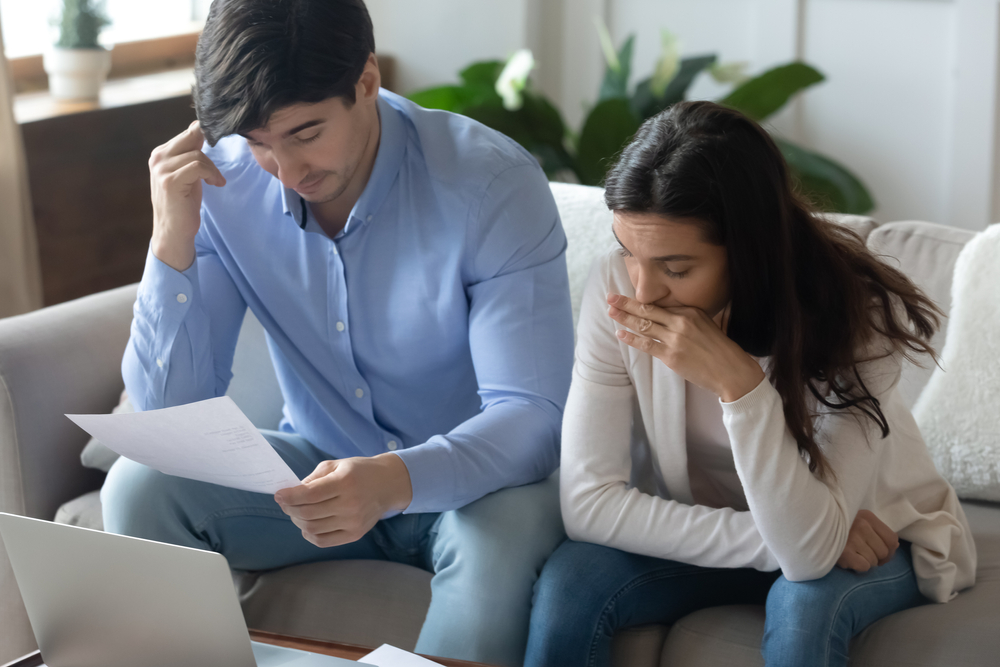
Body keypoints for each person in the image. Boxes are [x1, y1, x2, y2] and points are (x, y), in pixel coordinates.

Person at [99, 1, 574, 665]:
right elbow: (170, 425)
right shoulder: (224, 180)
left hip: (485, 488)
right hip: (316, 468)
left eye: (306, 132)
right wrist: (171, 242)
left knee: (495, 546)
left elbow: (531, 417)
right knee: (136, 484)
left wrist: (393, 479)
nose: (286, 170)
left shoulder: (490, 184)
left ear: (368, 81)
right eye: (260, 143)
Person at [524, 101, 977, 667]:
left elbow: (809, 563)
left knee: (804, 604)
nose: (642, 292)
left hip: (881, 539)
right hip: (812, 536)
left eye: (677, 268)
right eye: (628, 252)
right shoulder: (616, 290)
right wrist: (792, 540)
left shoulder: (854, 313)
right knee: (574, 580)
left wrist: (741, 386)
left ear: (749, 250)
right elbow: (588, 504)